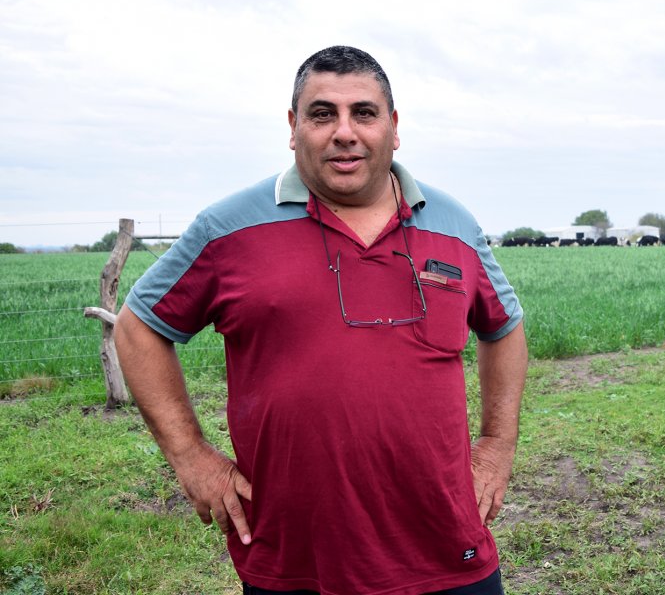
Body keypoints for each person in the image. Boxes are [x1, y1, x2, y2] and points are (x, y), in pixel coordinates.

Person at [114, 45, 528, 595]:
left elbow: (503, 328)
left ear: (394, 127)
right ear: (293, 128)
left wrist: (496, 446)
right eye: (321, 114)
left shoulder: (453, 225)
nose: (344, 132)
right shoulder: (227, 228)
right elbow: (138, 326)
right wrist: (191, 457)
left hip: (447, 547)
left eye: (364, 112)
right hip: (295, 556)